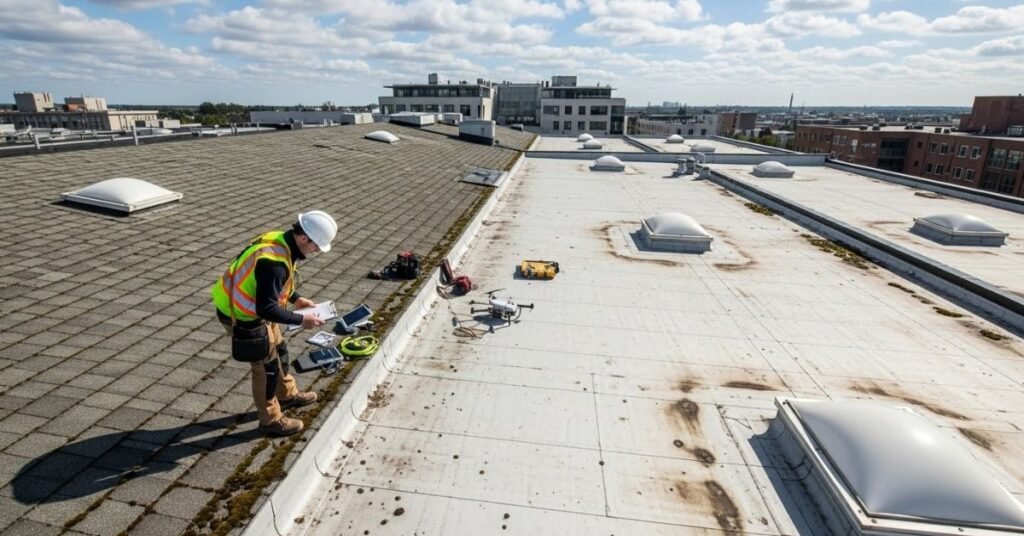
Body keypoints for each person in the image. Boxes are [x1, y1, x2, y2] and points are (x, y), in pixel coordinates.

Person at [211, 211, 338, 436]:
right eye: (316, 245)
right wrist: (302, 319)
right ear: (303, 238)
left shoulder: (280, 240)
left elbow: (273, 285)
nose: (317, 251)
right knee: (265, 368)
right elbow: (266, 308)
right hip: (242, 315)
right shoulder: (274, 263)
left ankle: (287, 394)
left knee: (279, 350)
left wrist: (295, 298)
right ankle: (270, 421)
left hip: (253, 308)